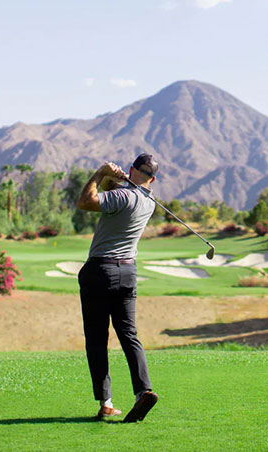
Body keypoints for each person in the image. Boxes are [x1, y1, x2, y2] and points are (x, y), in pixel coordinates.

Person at [76, 153, 160, 422]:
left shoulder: (122, 197)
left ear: (132, 168)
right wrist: (115, 179)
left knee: (98, 338)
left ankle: (106, 402)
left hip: (100, 270)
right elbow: (117, 194)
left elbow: (86, 201)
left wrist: (100, 173)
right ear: (153, 178)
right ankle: (143, 391)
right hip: (127, 272)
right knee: (128, 333)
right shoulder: (149, 202)